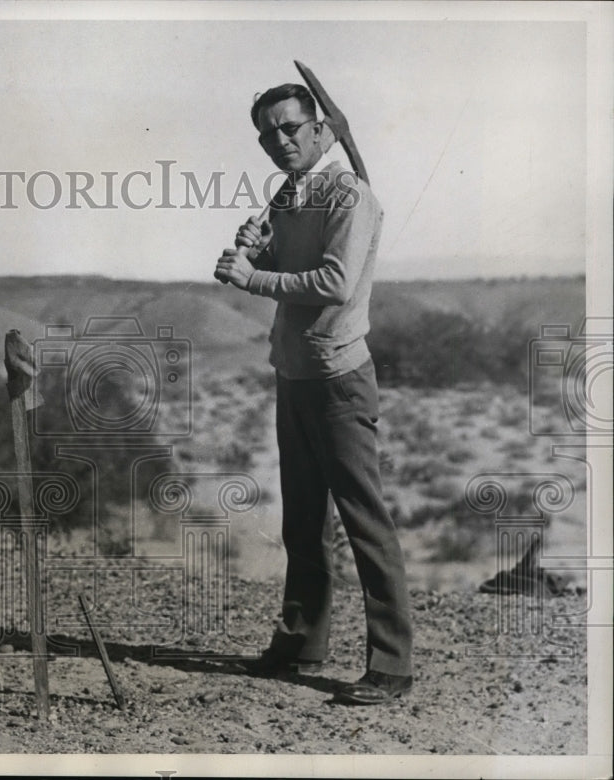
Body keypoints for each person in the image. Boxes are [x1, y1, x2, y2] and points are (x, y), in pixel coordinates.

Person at [215, 83, 414, 705]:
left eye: (291, 129)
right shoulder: (288, 194)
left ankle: (392, 664)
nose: (281, 142)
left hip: (337, 377)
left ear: (322, 129)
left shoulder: (351, 196)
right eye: (268, 135)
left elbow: (333, 281)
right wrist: (260, 241)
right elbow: (292, 258)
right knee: (303, 520)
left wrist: (255, 277)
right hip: (294, 371)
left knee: (363, 519)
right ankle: (301, 642)